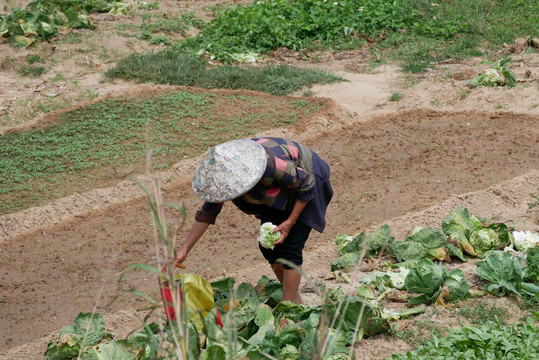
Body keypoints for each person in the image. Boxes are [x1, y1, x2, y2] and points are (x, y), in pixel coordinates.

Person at [172, 137, 333, 304]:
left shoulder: (268, 167)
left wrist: (290, 222)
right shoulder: (222, 181)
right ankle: (293, 300)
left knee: (291, 248)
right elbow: (208, 213)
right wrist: (184, 251)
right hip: (279, 190)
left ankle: (288, 308)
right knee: (270, 247)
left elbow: (306, 182)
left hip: (307, 179)